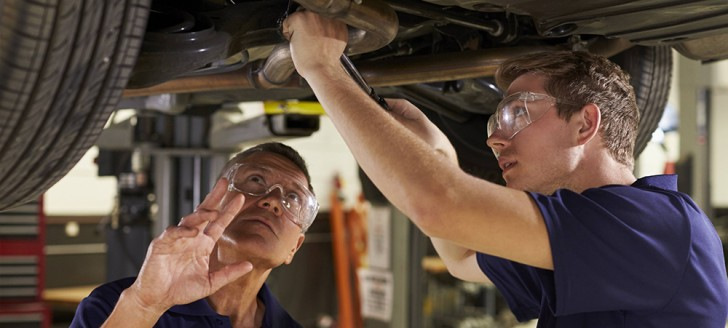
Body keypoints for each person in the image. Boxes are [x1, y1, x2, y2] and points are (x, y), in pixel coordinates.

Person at [283, 11, 728, 327]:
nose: (493, 137)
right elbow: (462, 256)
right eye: (498, 119)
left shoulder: (658, 228)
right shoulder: (591, 236)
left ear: (584, 124)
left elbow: (441, 207)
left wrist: (322, 67)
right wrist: (437, 152)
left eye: (516, 113)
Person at [70, 142, 318, 328]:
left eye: (293, 197)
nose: (273, 200)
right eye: (255, 180)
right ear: (215, 202)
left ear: (294, 248)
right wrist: (145, 305)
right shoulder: (114, 307)